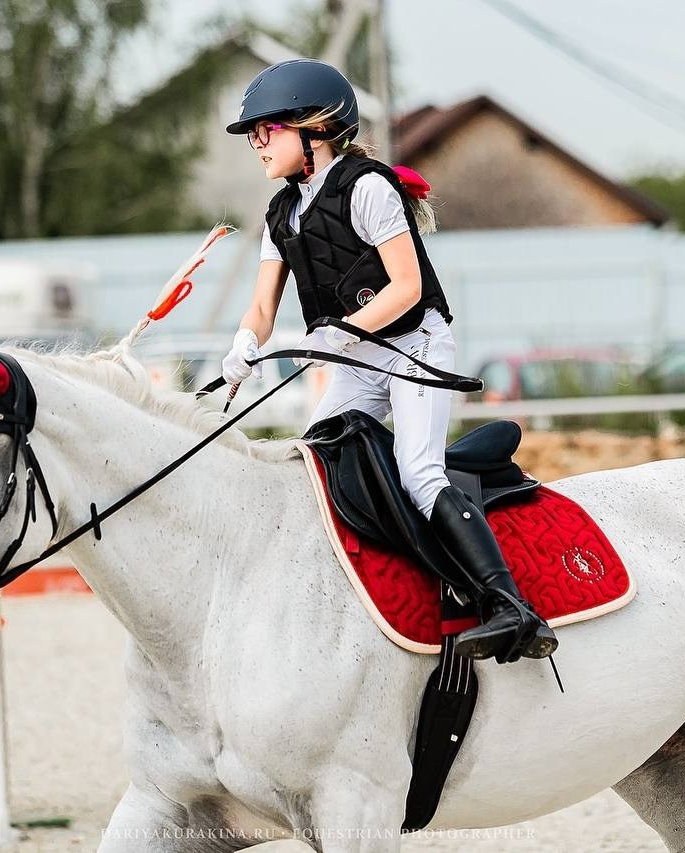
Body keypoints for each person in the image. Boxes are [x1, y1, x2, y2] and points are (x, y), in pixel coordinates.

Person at [220, 58, 557, 664]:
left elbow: (404, 287)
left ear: (313, 127)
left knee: (419, 473)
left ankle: (510, 607)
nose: (256, 144)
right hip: (353, 358)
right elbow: (262, 309)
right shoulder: (279, 215)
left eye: (265, 131)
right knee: (315, 463)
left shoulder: (370, 187)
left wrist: (338, 333)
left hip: (415, 345)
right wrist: (243, 345)